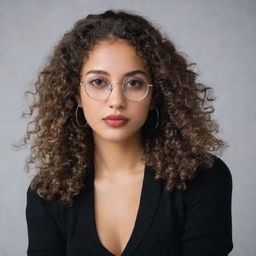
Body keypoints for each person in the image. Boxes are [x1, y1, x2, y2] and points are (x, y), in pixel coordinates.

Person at [19, 9, 233, 256]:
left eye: (134, 83)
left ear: (154, 95)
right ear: (75, 94)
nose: (116, 101)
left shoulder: (203, 177)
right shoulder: (48, 191)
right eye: (98, 82)